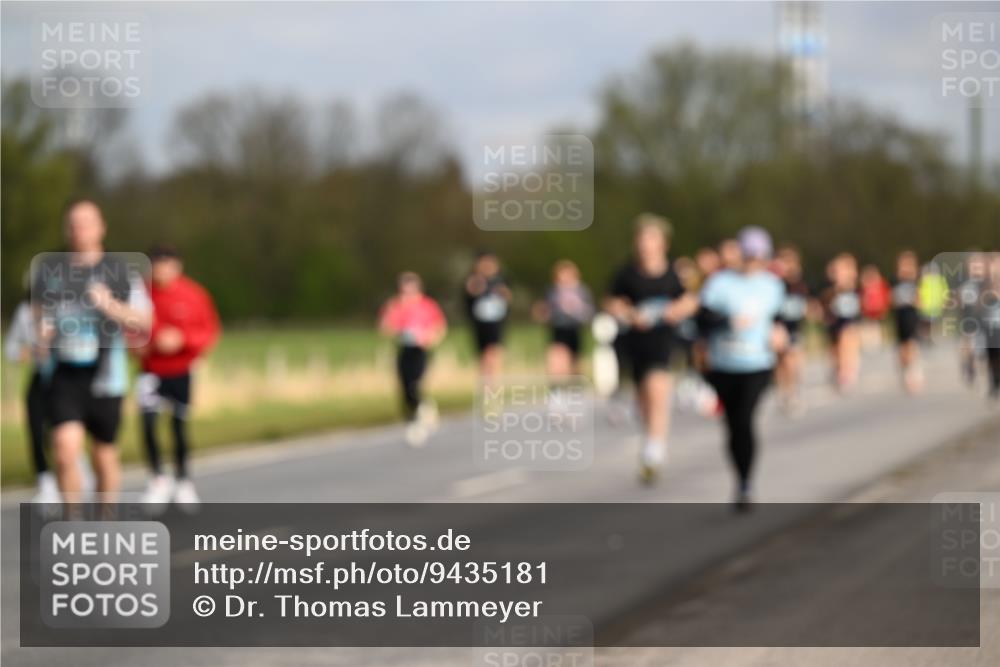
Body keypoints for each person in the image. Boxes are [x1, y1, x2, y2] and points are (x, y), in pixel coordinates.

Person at [31, 199, 152, 505]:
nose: (79, 230)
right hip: (64, 372)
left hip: (106, 374)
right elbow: (38, 316)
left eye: (86, 223)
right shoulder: (50, 270)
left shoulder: (120, 271)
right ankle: (72, 523)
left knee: (104, 453)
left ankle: (104, 517)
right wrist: (42, 332)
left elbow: (144, 319)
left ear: (101, 228)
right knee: (63, 449)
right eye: (73, 224)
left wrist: (109, 304)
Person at [699, 227, 787, 511]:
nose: (753, 262)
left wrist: (781, 333)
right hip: (724, 364)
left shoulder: (772, 285)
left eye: (759, 257)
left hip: (757, 364)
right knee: (733, 425)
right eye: (749, 256)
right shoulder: (720, 283)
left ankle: (746, 483)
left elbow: (783, 318)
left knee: (745, 420)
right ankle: (740, 478)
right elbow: (702, 319)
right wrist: (727, 322)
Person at [605, 214, 698, 484]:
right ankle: (651, 437)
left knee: (658, 390)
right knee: (643, 400)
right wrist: (630, 314)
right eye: (642, 239)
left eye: (651, 239)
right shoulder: (627, 274)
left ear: (663, 243)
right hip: (635, 343)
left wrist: (674, 310)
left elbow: (691, 301)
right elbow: (611, 302)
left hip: (663, 341)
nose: (645, 245)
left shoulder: (674, 273)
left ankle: (654, 450)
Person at [136, 244, 220, 509]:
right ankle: (158, 479)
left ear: (177, 266)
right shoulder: (140, 294)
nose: (161, 271)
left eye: (166, 265)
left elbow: (209, 331)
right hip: (150, 371)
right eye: (156, 265)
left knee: (178, 426)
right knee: (148, 423)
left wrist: (182, 340)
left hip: (181, 370)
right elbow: (128, 328)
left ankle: (183, 479)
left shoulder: (193, 294)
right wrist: (145, 344)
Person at [379, 272, 448, 447]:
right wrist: (392, 314)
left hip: (421, 350)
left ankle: (420, 416)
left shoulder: (427, 305)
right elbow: (385, 328)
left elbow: (440, 327)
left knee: (415, 384)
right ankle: (414, 415)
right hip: (405, 350)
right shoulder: (395, 305)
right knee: (404, 387)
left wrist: (429, 338)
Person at [4, 294, 58, 503]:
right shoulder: (24, 312)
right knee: (36, 429)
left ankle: (76, 470)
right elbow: (10, 348)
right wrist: (24, 352)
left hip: (63, 377)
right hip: (39, 376)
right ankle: (45, 481)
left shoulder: (63, 307)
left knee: (60, 431)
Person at [533, 260, 594, 382]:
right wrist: (542, 313)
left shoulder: (581, 290)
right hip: (558, 328)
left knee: (574, 362)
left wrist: (576, 308)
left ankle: (575, 385)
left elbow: (590, 311)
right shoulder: (552, 291)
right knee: (556, 359)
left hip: (574, 329)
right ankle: (556, 387)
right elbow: (545, 309)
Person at [773, 245, 811, 414]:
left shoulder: (801, 282)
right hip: (779, 327)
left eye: (790, 262)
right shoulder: (774, 282)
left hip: (796, 327)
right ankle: (783, 390)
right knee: (781, 362)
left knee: (792, 360)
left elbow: (810, 301)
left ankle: (793, 391)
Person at [464, 251, 512, 382]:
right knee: (483, 355)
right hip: (480, 323)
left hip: (496, 322)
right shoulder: (474, 279)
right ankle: (485, 382)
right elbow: (470, 294)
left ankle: (493, 382)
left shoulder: (501, 280)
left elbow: (508, 297)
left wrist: (500, 291)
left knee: (494, 352)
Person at [821, 253, 862, 391]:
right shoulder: (830, 290)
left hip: (849, 322)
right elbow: (825, 306)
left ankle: (848, 369)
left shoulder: (854, 286)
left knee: (848, 339)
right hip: (834, 322)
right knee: (835, 349)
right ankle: (838, 368)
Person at [891, 250, 924, 395]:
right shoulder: (895, 282)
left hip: (912, 316)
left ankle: (913, 371)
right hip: (900, 317)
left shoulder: (916, 282)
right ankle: (905, 369)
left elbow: (920, 300)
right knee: (902, 347)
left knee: (911, 344)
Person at [958, 252, 988, 388]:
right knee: (968, 347)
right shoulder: (964, 282)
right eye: (973, 265)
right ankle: (968, 366)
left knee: (980, 349)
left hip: (982, 320)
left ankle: (977, 371)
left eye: (979, 265)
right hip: (968, 319)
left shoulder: (986, 282)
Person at [860, 264, 892, 351]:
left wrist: (885, 309)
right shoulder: (864, 287)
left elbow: (886, 298)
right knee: (867, 333)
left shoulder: (882, 285)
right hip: (867, 315)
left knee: (877, 334)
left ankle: (876, 347)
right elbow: (862, 300)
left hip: (878, 314)